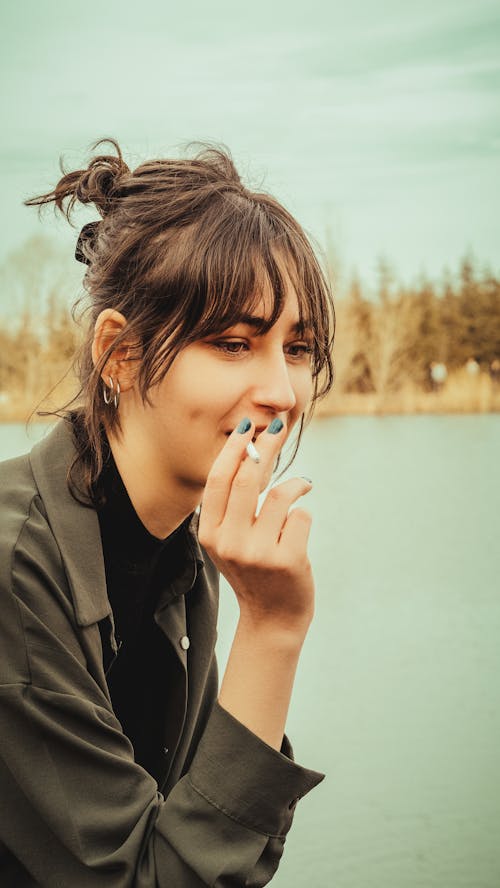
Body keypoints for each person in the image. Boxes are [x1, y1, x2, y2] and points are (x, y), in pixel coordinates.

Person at [0, 139, 335, 887]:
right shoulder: (16, 569)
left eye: (300, 347)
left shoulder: (186, 553)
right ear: (119, 355)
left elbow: (204, 841)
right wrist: (273, 632)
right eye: (233, 343)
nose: (282, 391)